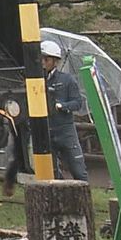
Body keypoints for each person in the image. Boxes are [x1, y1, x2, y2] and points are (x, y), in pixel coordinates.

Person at [40, 40, 88, 181]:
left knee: (78, 169)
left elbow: (77, 103)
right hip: (47, 130)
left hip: (65, 131)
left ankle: (84, 199)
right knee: (52, 172)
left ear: (55, 61)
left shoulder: (67, 80)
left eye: (46, 59)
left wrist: (63, 106)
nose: (43, 62)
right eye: (41, 58)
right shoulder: (37, 80)